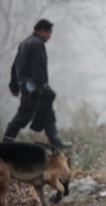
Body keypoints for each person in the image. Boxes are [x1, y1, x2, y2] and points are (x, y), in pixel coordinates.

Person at [5, 19, 72, 150]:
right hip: (33, 87)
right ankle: (5, 143)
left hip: (27, 85)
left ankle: (56, 142)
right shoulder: (37, 44)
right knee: (24, 114)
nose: (50, 36)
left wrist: (14, 86)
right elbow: (37, 67)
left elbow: (15, 67)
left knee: (47, 111)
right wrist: (42, 87)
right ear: (42, 31)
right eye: (49, 32)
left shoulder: (25, 43)